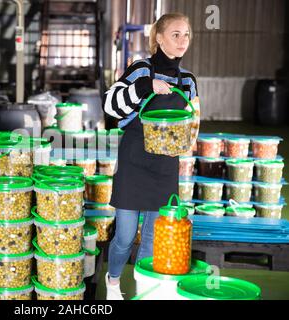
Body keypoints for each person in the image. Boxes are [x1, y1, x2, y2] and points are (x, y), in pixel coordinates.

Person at [102, 13, 201, 300]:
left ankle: (142, 293)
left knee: (152, 240)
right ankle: (112, 281)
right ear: (159, 38)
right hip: (134, 161)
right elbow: (110, 106)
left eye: (186, 35)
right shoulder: (141, 70)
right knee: (123, 236)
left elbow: (192, 120)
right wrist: (146, 87)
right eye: (175, 34)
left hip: (166, 165)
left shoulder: (188, 80)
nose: (182, 41)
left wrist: (189, 139)